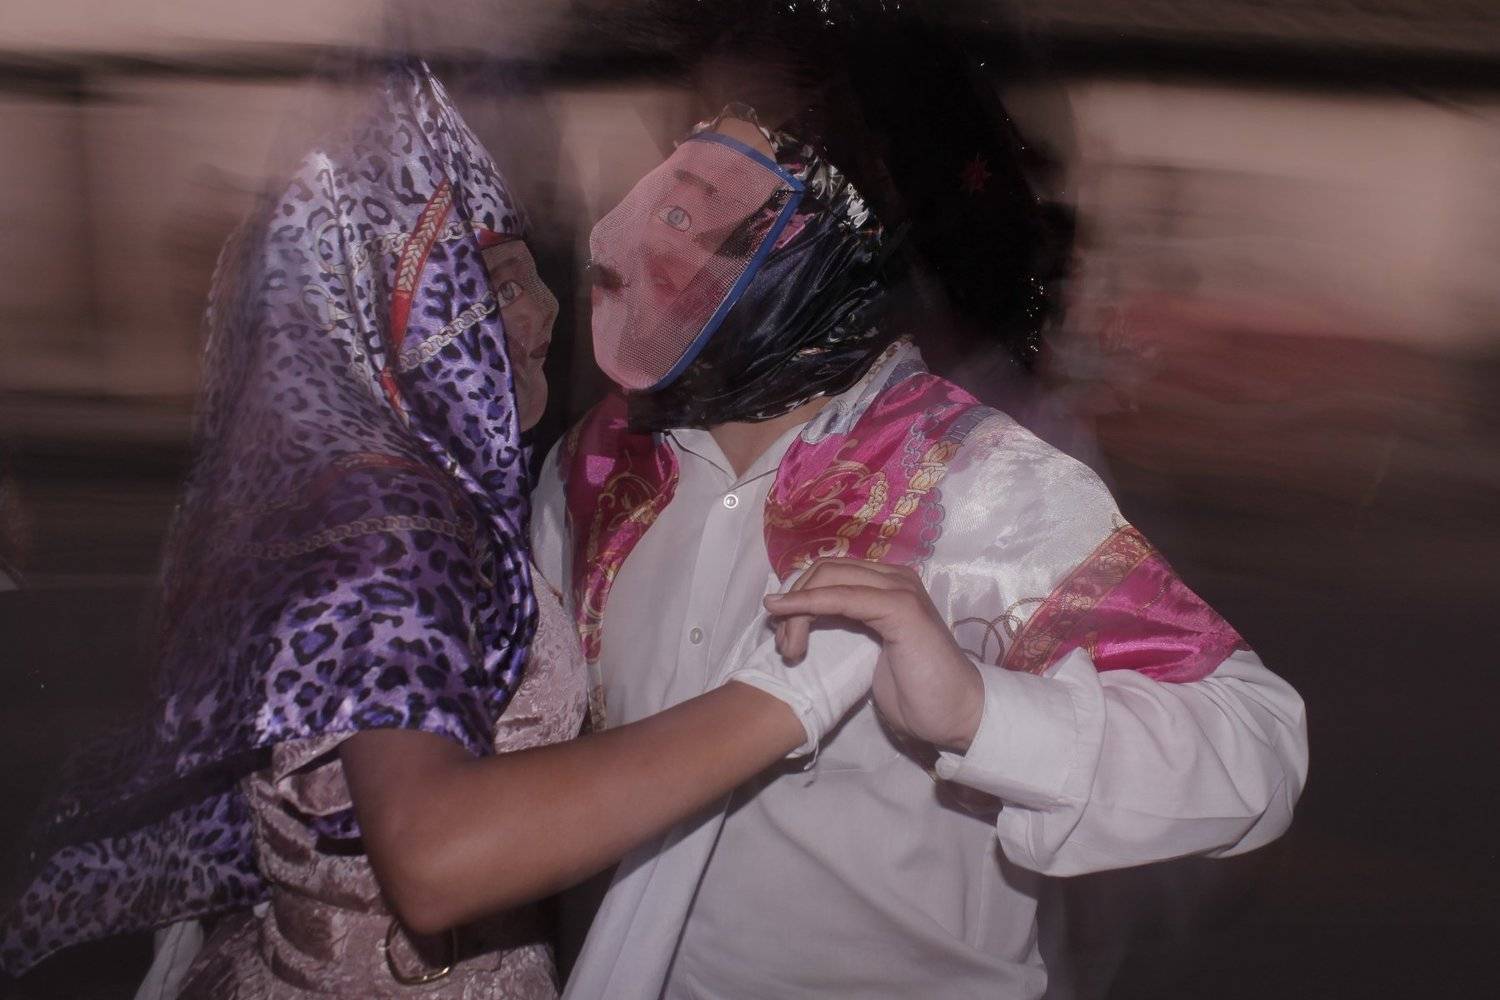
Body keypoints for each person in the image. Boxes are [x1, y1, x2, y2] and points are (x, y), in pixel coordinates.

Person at [0, 61, 875, 998]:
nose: (545, 311)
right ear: (386, 316)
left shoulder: (393, 490)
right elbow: (433, 857)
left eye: (531, 274)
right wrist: (786, 695)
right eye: (494, 287)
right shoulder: (390, 524)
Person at [531, 6, 1309, 997]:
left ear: (839, 233)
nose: (660, 223)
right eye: (675, 169)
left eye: (724, 190)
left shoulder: (973, 483)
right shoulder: (597, 467)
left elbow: (1257, 745)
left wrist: (984, 713)